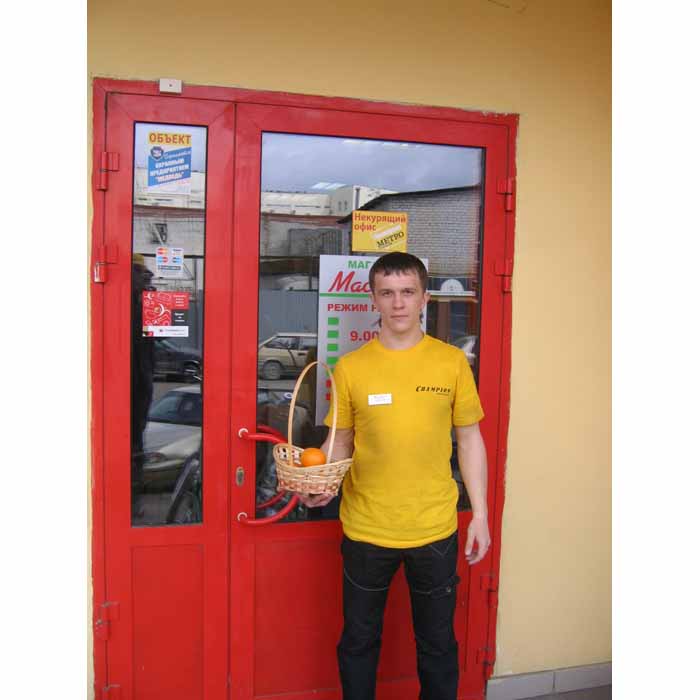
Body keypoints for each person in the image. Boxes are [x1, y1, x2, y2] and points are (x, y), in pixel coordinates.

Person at [299, 251, 490, 700]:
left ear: (425, 298)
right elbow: (341, 441)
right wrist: (322, 484)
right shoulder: (351, 368)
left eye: (407, 292)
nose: (398, 303)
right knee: (359, 642)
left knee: (438, 646)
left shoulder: (451, 363)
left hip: (433, 528)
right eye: (387, 293)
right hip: (367, 529)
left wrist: (480, 515)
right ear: (373, 299)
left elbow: (469, 440)